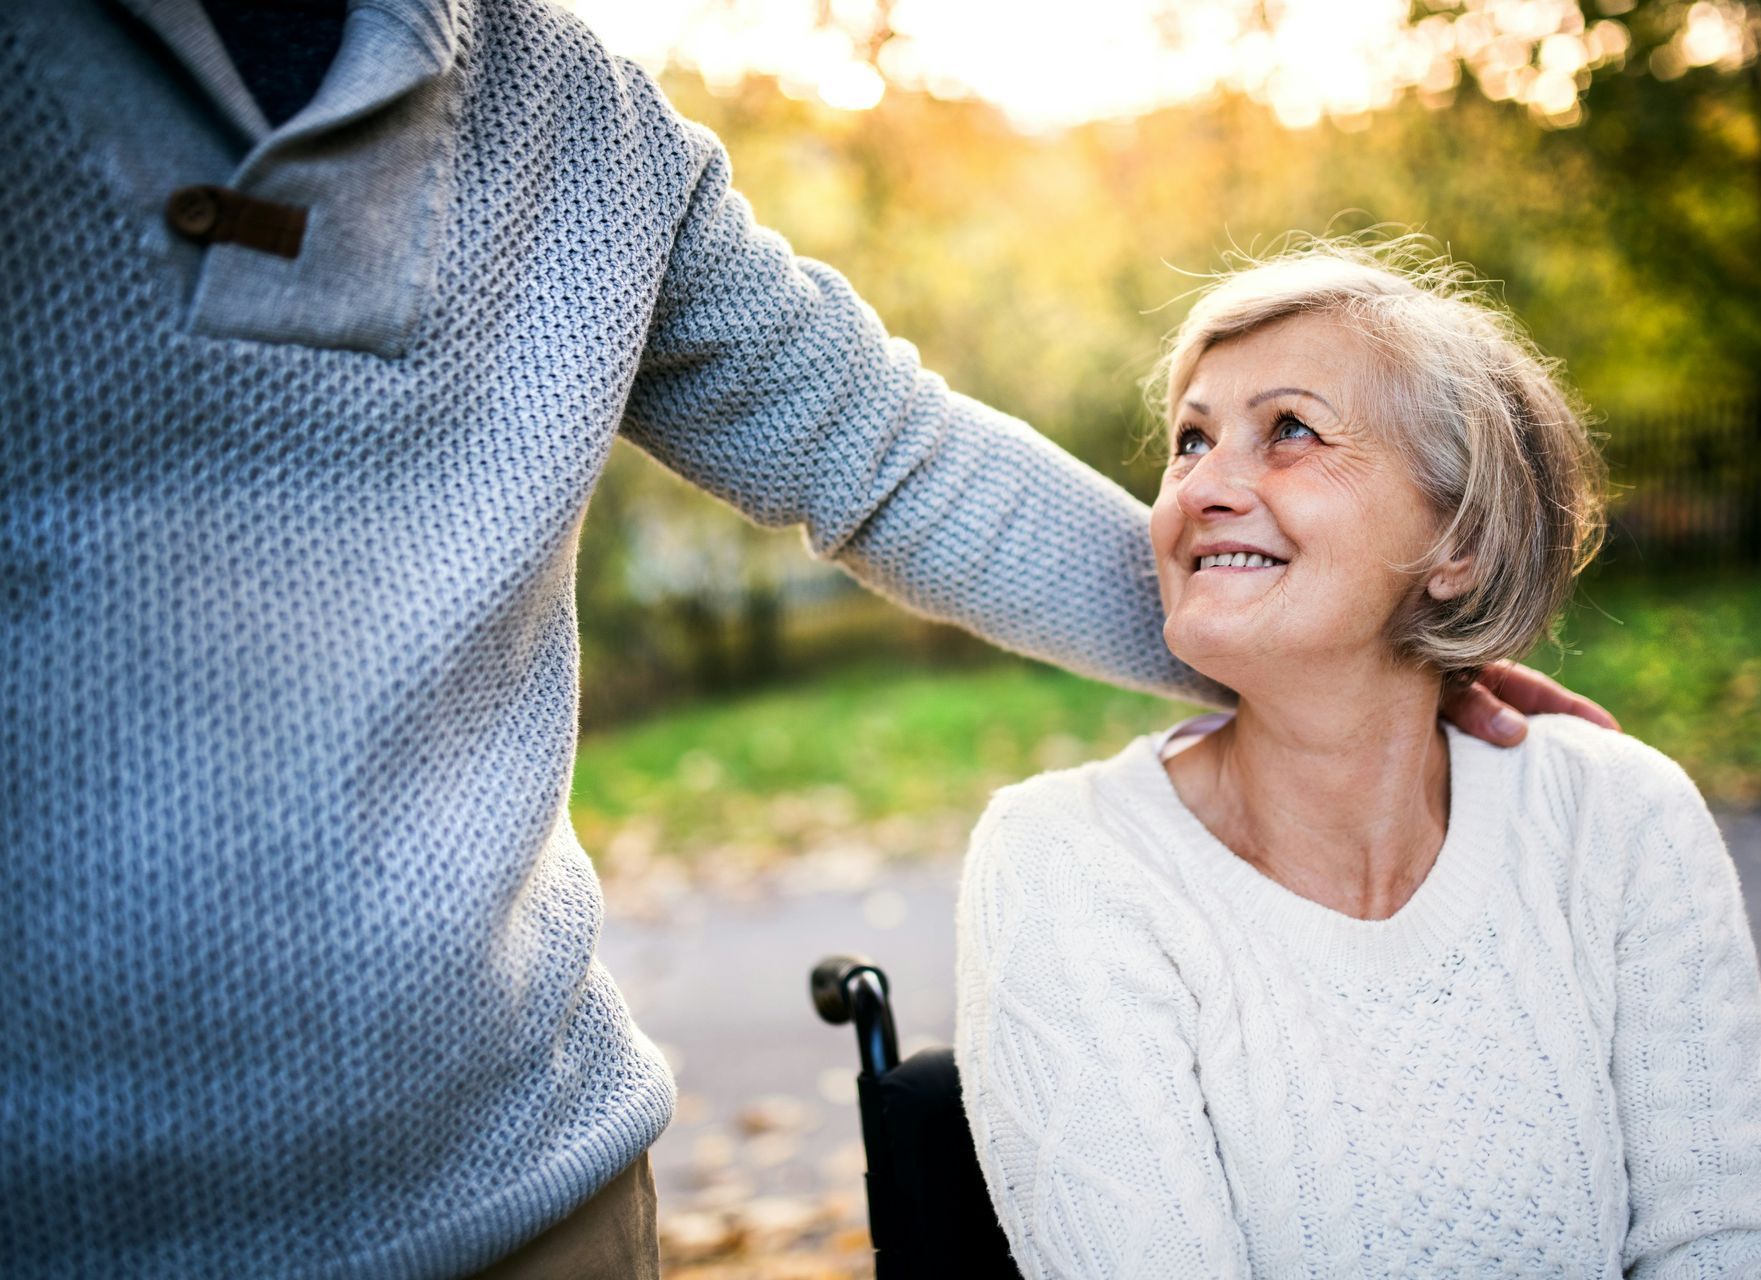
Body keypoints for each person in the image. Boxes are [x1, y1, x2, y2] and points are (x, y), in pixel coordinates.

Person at [0, 3, 1610, 1277]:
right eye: (1200, 440)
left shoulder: (587, 132)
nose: (1222, 471)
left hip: (525, 1202)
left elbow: (891, 456)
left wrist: (1351, 660)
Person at [955, 245, 1761, 1278]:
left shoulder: (1615, 809)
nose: (1202, 484)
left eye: (1289, 429)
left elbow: (1742, 1230)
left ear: (1459, 542)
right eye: (1189, 441)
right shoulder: (1068, 860)